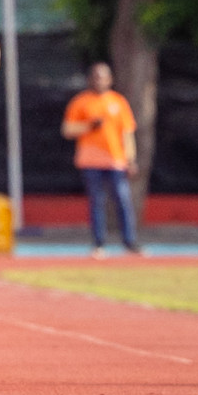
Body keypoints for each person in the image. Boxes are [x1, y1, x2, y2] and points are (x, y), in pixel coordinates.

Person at [61, 62, 140, 258]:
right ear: (90, 79)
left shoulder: (119, 102)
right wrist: (89, 126)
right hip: (90, 162)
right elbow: (67, 130)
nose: (100, 80)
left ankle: (130, 243)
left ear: (110, 79)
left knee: (123, 201)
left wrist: (130, 160)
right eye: (96, 76)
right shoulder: (81, 102)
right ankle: (99, 244)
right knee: (97, 202)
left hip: (116, 161)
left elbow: (127, 133)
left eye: (103, 76)